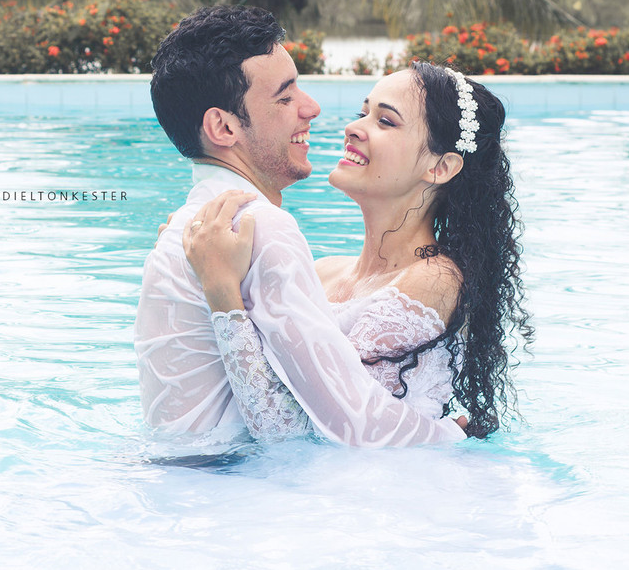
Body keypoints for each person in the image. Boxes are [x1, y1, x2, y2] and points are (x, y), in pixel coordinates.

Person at [134, 6, 466, 447]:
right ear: (223, 127)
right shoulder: (259, 229)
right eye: (285, 97)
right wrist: (447, 437)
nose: (313, 108)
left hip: (182, 473)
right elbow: (306, 432)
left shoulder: (188, 227)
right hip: (232, 476)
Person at [182, 61, 533, 441]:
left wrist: (220, 290)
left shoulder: (432, 281)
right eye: (362, 113)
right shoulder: (323, 271)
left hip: (376, 478)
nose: (353, 128)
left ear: (441, 167)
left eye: (386, 121)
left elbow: (301, 434)